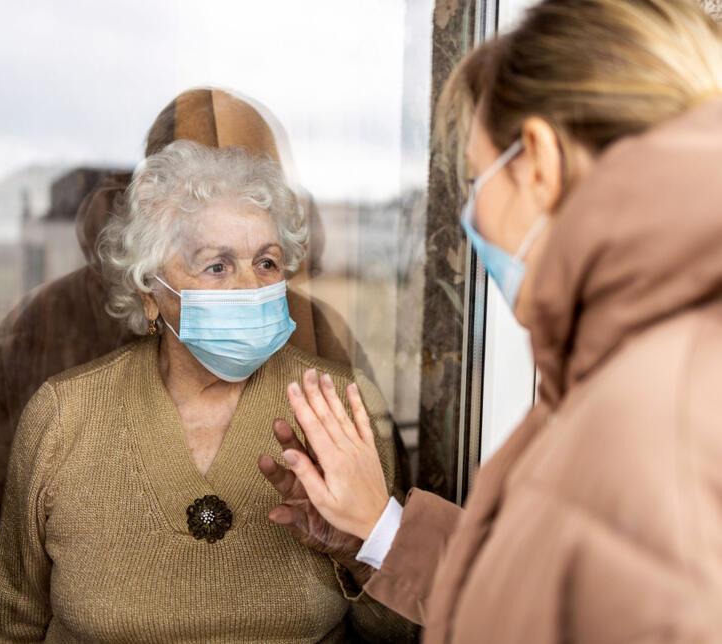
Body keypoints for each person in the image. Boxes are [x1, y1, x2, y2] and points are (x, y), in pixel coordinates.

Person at [259, 0, 722, 641]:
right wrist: (381, 530)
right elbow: (550, 590)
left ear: (537, 161)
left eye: (477, 180)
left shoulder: (653, 414)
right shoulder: (627, 372)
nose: (472, 216)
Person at [0, 87, 406, 642]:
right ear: (151, 292)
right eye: (218, 265)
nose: (250, 287)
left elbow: (399, 631)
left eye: (267, 262)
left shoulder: (342, 408)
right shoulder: (63, 416)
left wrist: (361, 546)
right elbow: (11, 624)